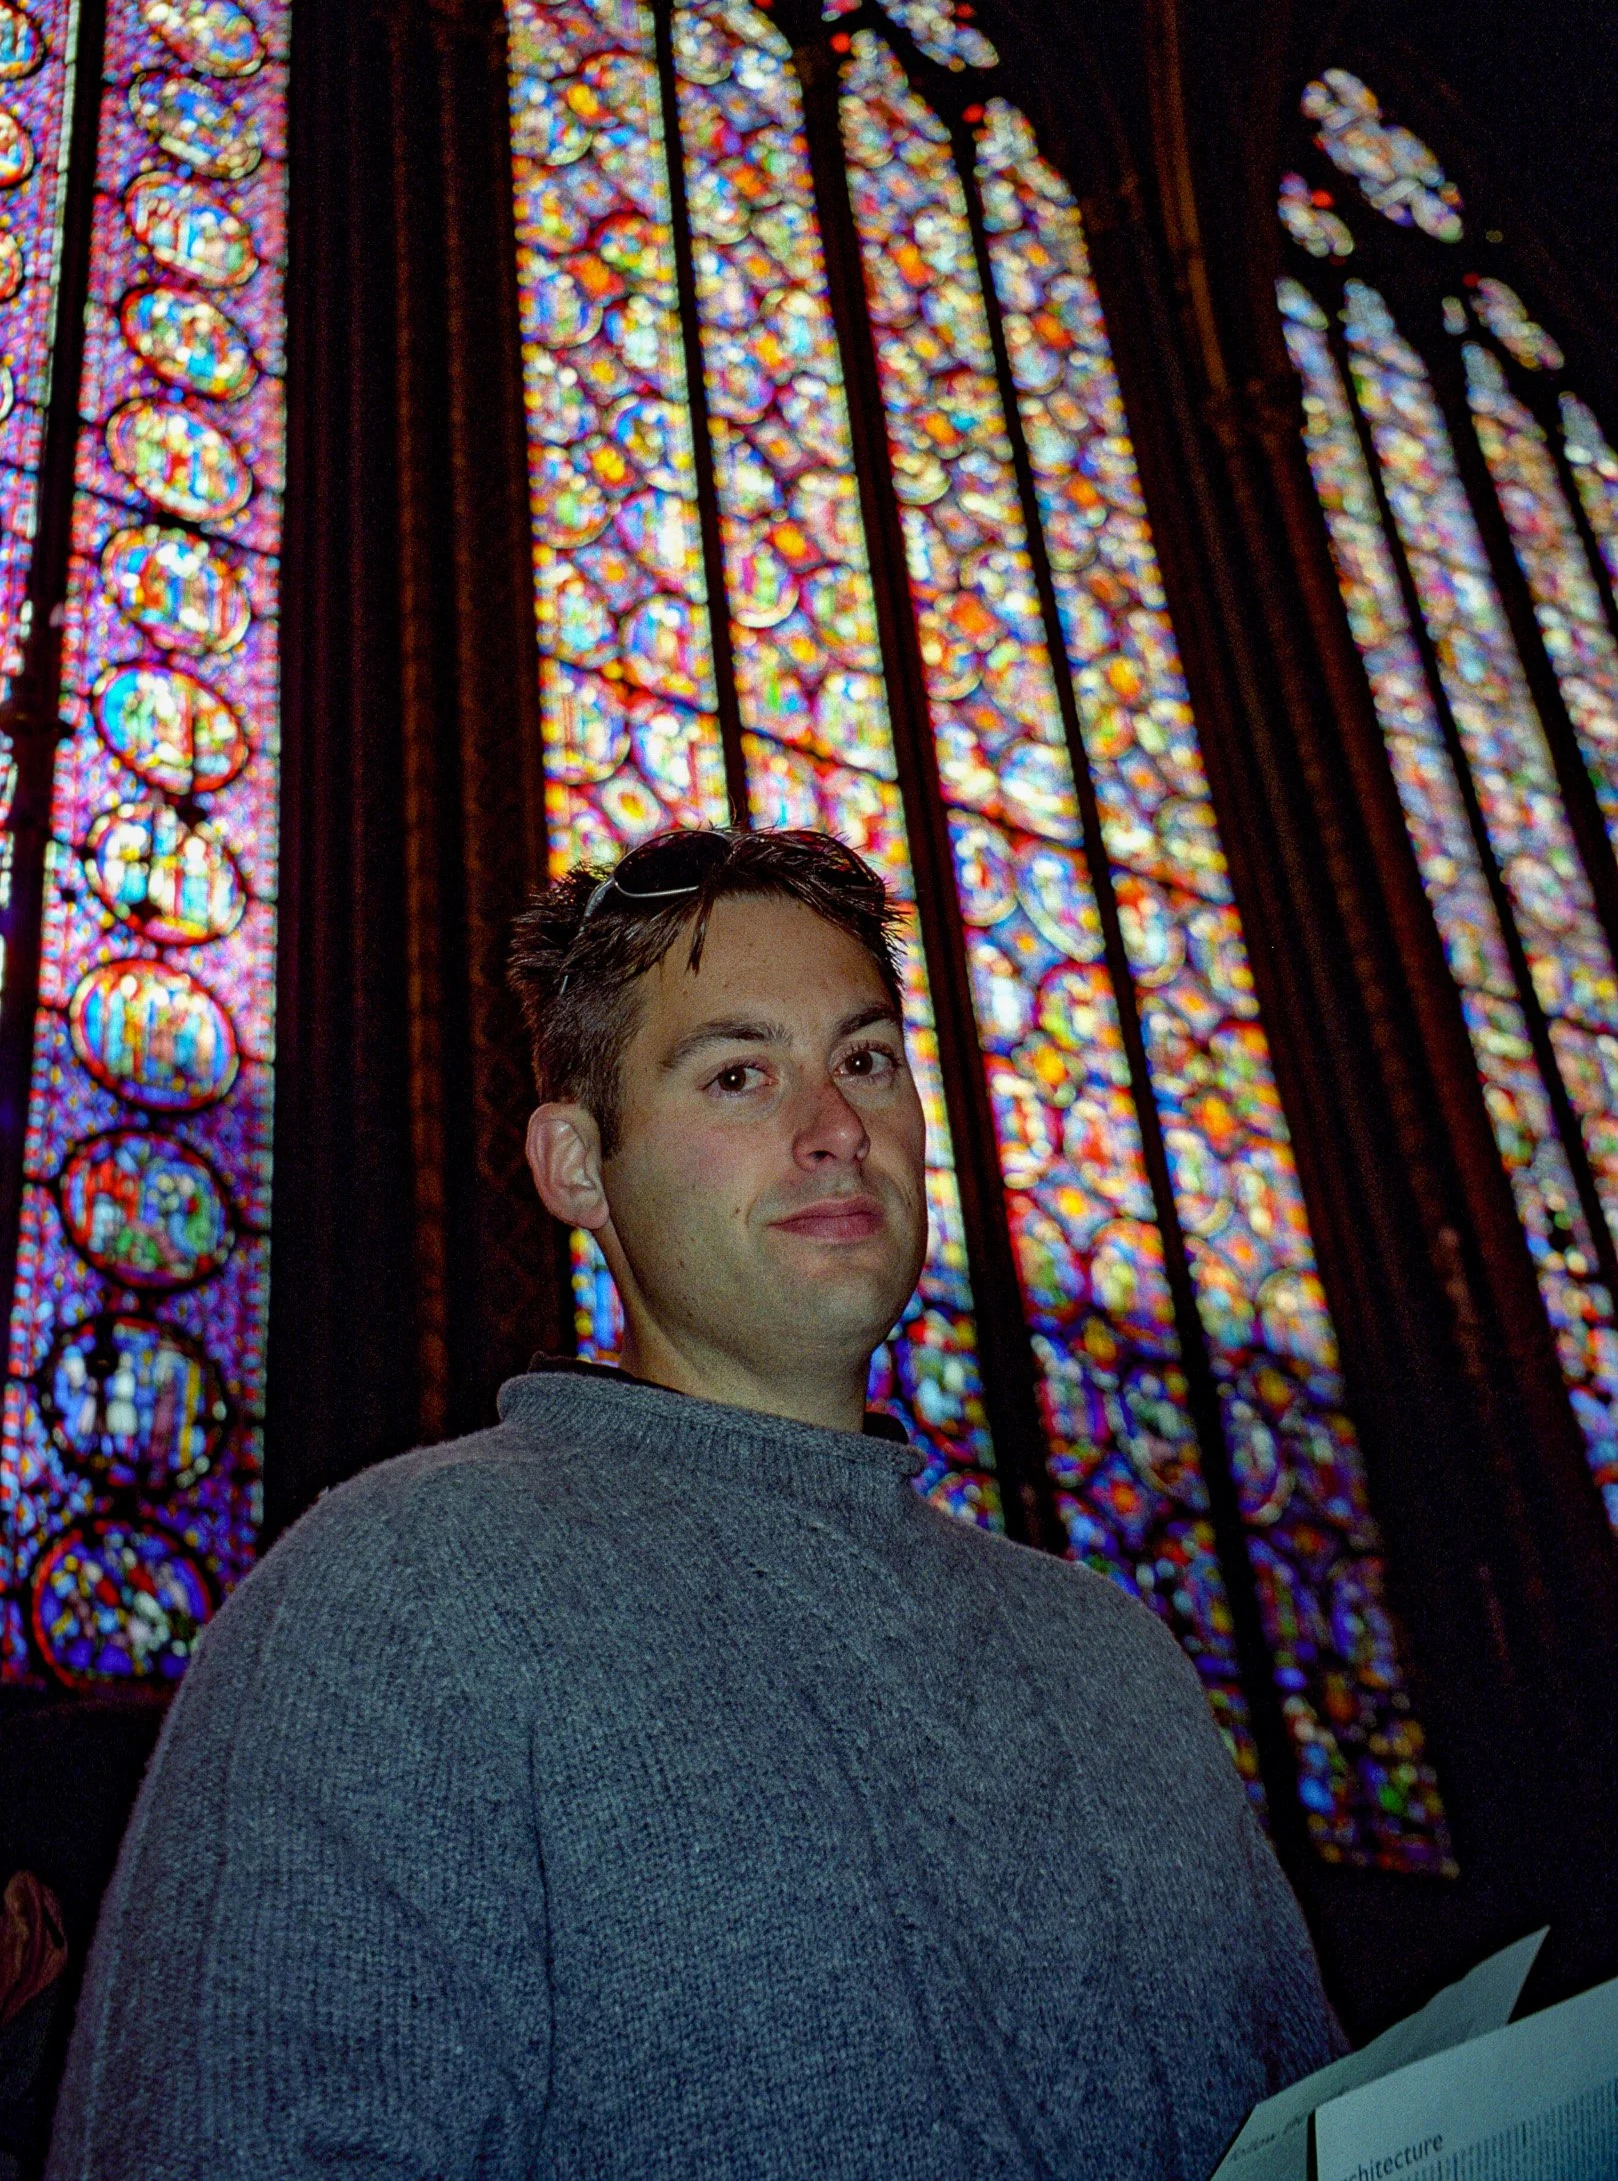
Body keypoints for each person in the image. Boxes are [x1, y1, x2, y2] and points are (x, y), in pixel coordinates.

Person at [48, 826, 1337, 2179]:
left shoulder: (1112, 1656)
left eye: (865, 1060)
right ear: (577, 1167)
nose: (835, 1128)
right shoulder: (405, 1588)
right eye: (738, 1074)